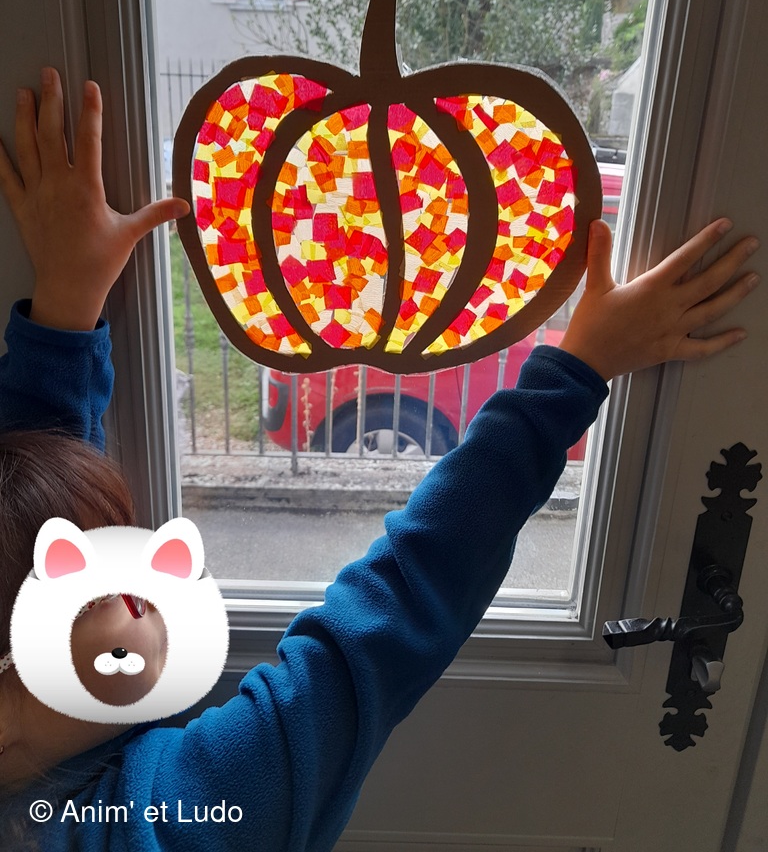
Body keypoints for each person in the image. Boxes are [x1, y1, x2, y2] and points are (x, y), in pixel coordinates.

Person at [0, 68, 759, 852]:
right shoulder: (177, 821)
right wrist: (573, 373)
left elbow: (25, 521)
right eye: (97, 594)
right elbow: (389, 616)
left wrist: (63, 310)